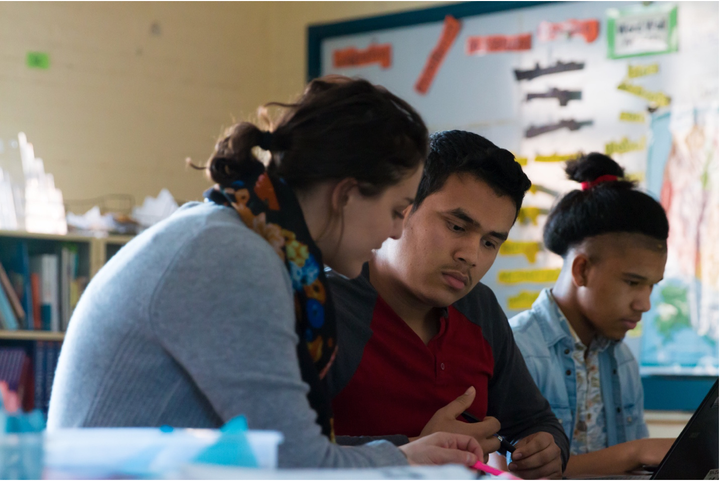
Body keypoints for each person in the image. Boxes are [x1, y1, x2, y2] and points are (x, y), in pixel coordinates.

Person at [47, 77, 487, 469]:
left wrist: (402, 455)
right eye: (396, 210)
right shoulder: (233, 258)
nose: (397, 230)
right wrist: (401, 463)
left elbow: (287, 451)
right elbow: (297, 463)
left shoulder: (239, 233)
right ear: (347, 194)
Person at [328, 130, 569, 479]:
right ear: (401, 209)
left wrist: (547, 448)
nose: (470, 256)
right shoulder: (320, 305)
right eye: (457, 226)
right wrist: (411, 449)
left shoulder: (480, 308)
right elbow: (270, 451)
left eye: (489, 243)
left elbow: (534, 421)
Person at [509, 153, 675, 477]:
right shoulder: (516, 349)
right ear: (582, 270)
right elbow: (506, 471)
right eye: (633, 282)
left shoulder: (623, 359)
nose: (645, 303)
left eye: (652, 286)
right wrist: (636, 452)